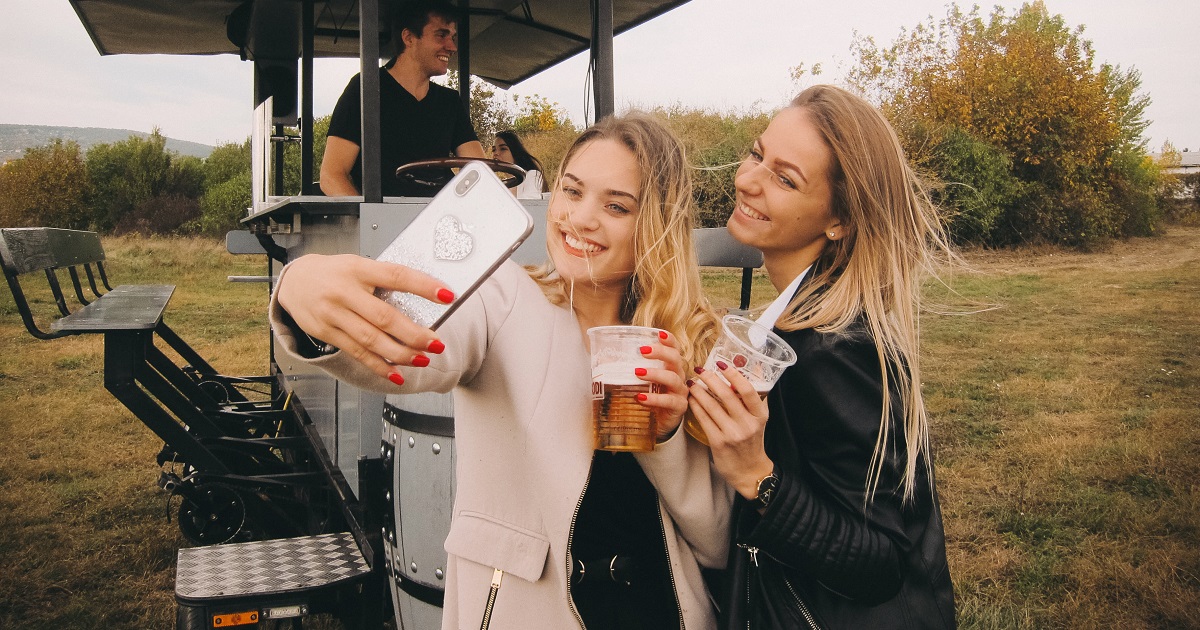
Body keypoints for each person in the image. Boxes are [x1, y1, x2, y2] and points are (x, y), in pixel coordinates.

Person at [272, 113, 730, 629]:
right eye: (572, 192)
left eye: (616, 206)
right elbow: (399, 353)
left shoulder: (689, 340)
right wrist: (301, 289)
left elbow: (715, 543)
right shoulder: (503, 298)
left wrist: (667, 437)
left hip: (658, 611)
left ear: (657, 223)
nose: (580, 218)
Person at [687, 85, 957, 629]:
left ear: (839, 221)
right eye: (756, 154)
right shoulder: (800, 315)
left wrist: (758, 477)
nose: (746, 180)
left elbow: (880, 561)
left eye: (785, 179)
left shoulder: (836, 349)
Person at [320, 0, 485, 197]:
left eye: (453, 37)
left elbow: (480, 173)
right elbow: (331, 176)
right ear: (409, 38)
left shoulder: (449, 101)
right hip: (385, 222)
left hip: (442, 220)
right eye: (441, 35)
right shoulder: (366, 90)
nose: (452, 47)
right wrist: (371, 222)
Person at [493, 130, 549, 199]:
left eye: (503, 149)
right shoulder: (500, 185)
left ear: (515, 152)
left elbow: (531, 203)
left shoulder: (532, 175)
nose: (496, 153)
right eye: (494, 150)